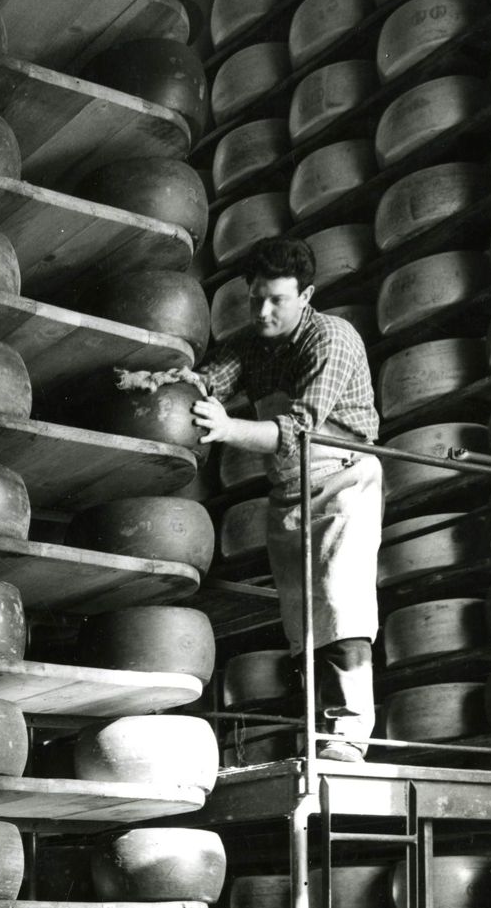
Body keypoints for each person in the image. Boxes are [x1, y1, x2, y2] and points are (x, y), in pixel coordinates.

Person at [120, 235, 384, 763]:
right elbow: (210, 381)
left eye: (277, 300)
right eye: (256, 298)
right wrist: (164, 380)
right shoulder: (253, 343)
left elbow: (302, 430)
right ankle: (318, 736)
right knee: (301, 626)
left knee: (340, 610)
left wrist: (225, 427)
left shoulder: (331, 340)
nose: (263, 311)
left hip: (342, 481)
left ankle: (348, 737)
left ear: (305, 295)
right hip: (289, 490)